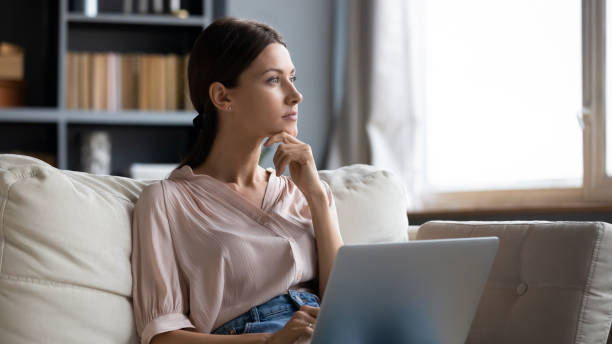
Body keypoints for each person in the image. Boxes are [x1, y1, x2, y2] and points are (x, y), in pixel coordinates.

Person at [131, 17, 343, 344]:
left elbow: (345, 304)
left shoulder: (302, 191)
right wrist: (270, 342)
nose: (296, 95)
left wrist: (318, 197)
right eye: (274, 80)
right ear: (222, 96)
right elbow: (164, 337)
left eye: (293, 78)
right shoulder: (166, 201)